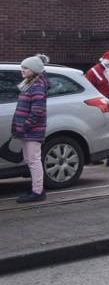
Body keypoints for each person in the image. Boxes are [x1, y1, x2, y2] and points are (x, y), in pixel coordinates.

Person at [12, 55, 48, 202]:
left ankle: (38, 191)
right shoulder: (29, 84)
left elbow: (37, 111)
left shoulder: (37, 86)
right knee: (30, 159)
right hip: (27, 131)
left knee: (34, 160)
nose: (23, 70)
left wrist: (25, 126)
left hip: (32, 131)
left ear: (34, 70)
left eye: (26, 68)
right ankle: (36, 187)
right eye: (22, 67)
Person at [84, 50, 109, 167]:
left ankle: (98, 156)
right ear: (107, 62)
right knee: (105, 132)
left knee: (103, 132)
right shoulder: (93, 72)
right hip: (98, 108)